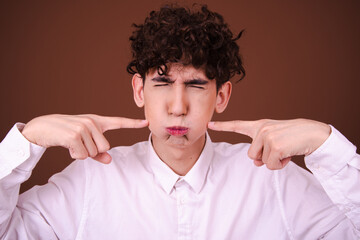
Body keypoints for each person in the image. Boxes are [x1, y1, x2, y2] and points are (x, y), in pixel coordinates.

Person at [0, 4, 359, 240]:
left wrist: (326, 143)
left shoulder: (274, 181)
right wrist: (27, 141)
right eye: (162, 83)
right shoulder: (90, 181)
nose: (177, 107)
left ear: (222, 96)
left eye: (196, 85)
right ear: (139, 91)